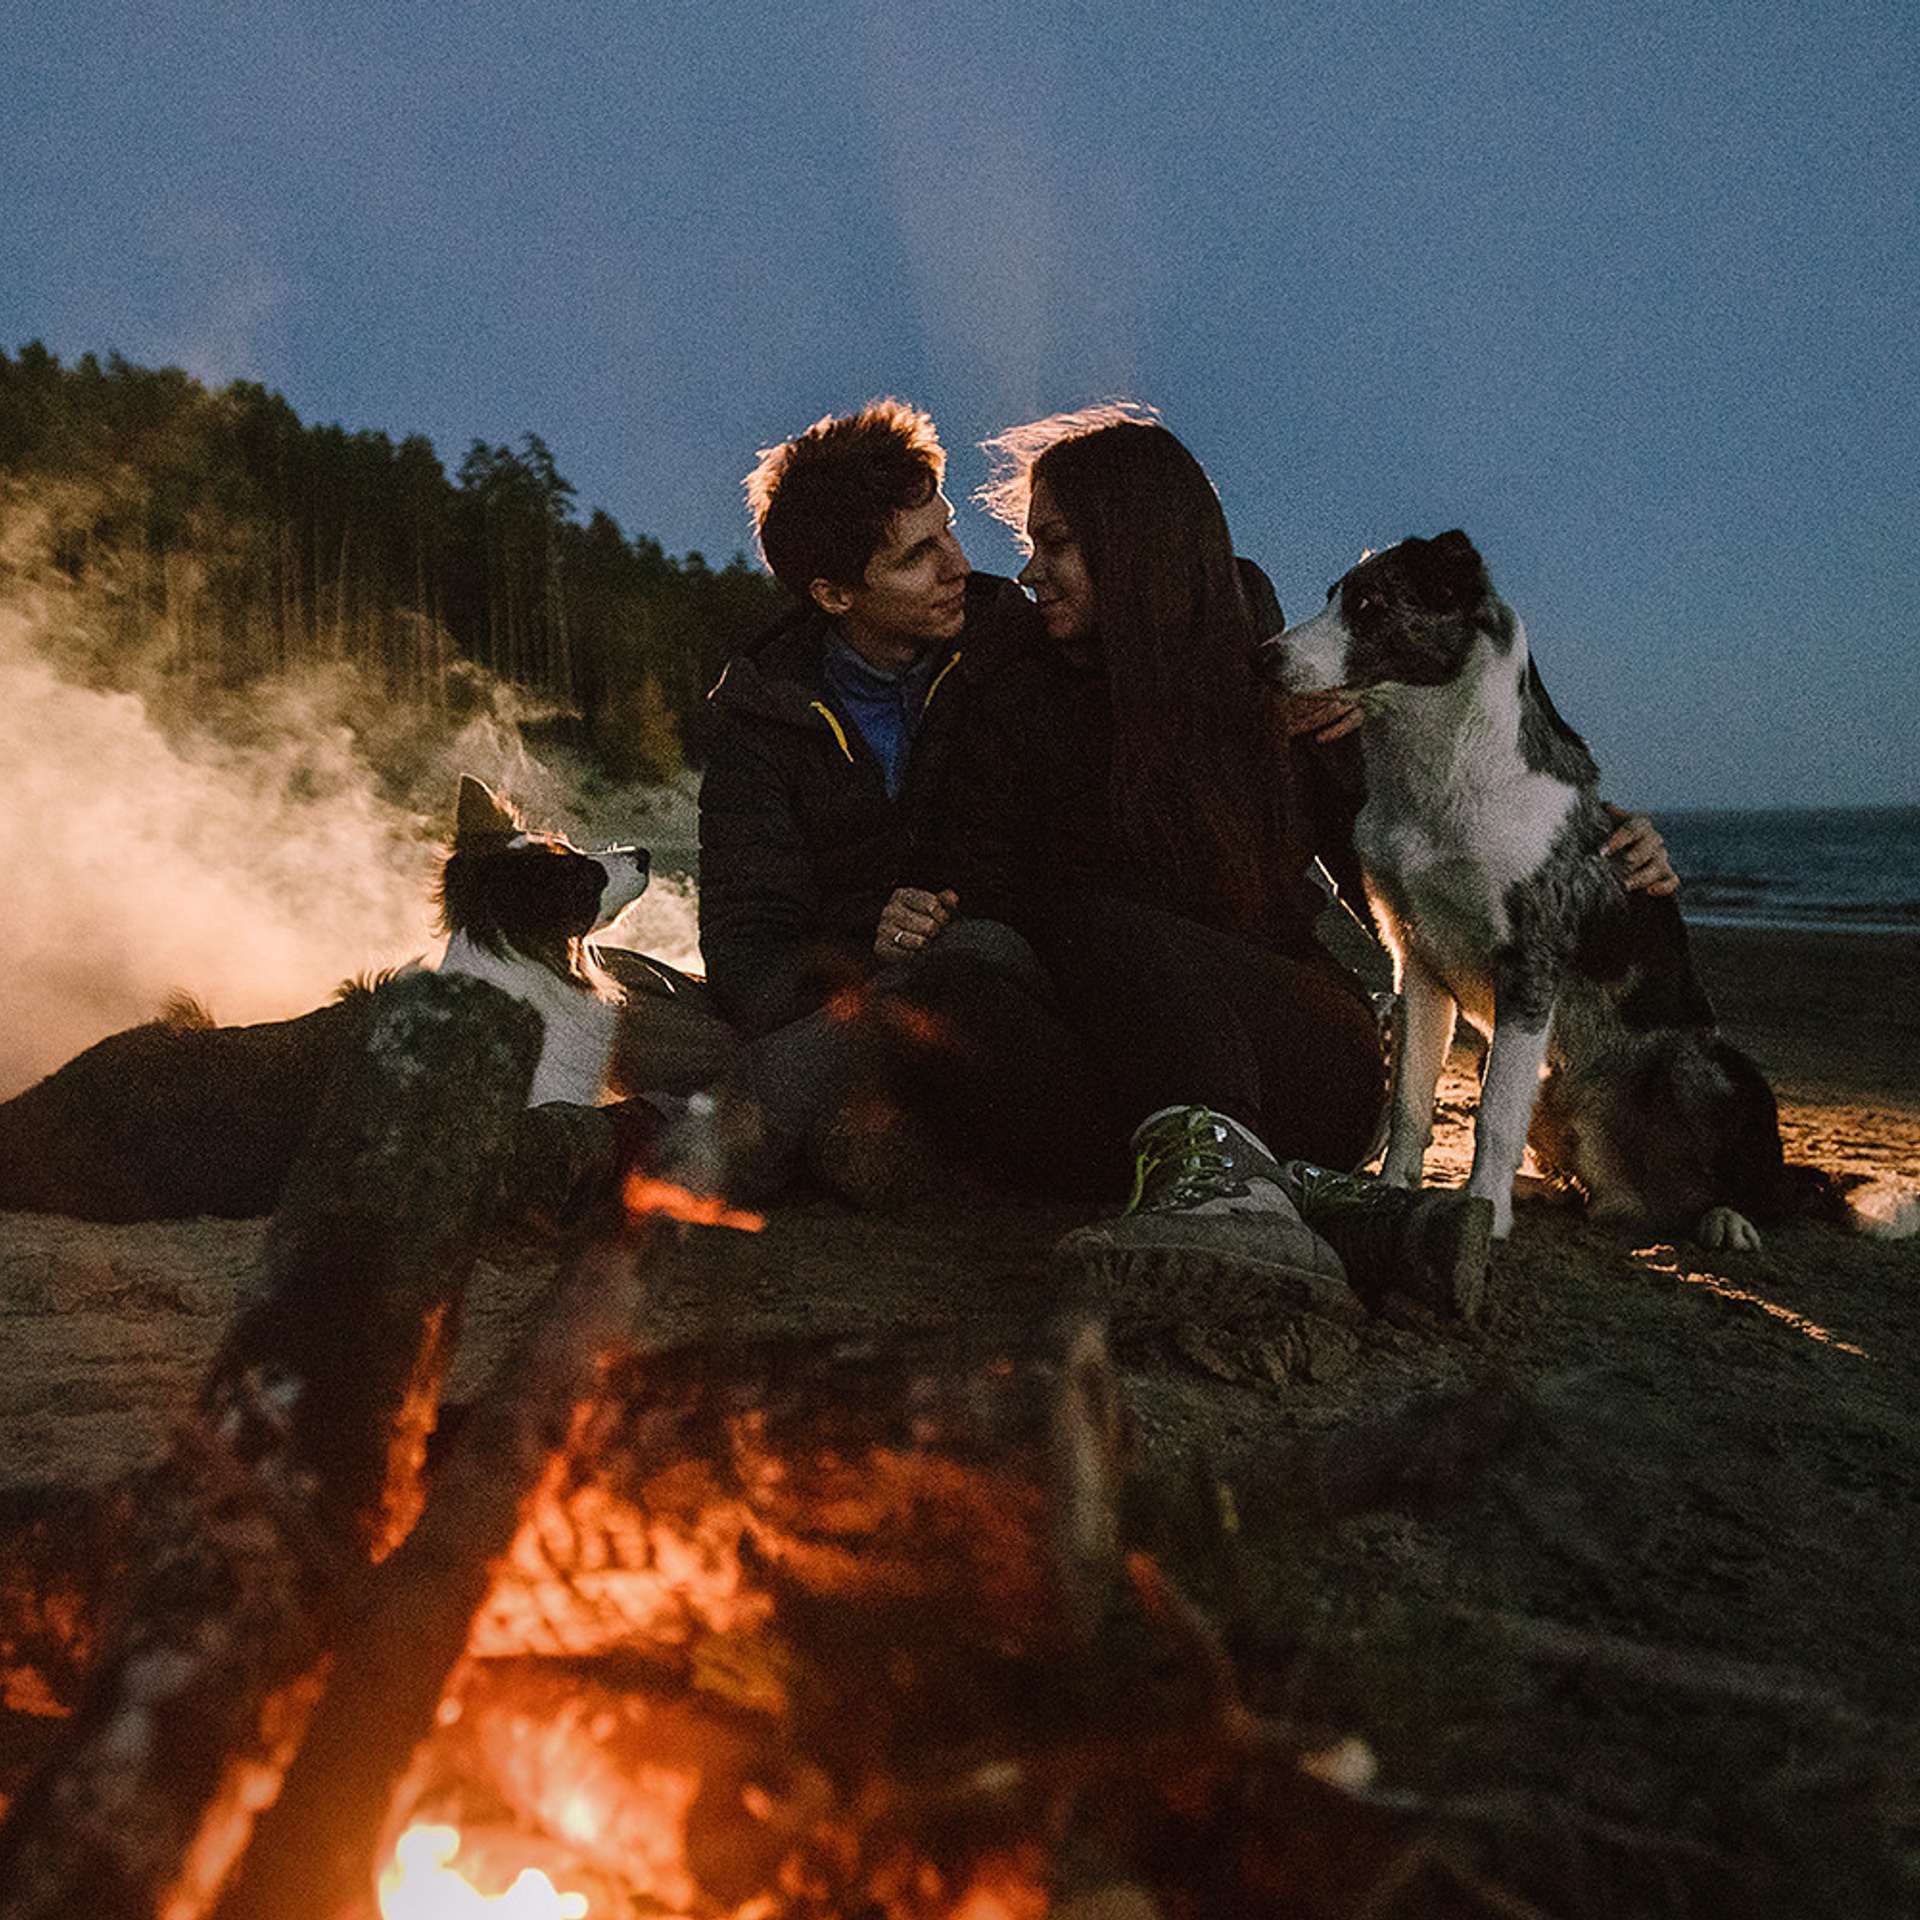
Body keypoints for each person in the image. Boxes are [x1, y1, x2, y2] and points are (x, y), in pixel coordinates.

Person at [938, 406, 1674, 1321]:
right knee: (954, 997)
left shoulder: (1272, 669)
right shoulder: (1020, 687)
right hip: (1128, 1048)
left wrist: (1588, 839)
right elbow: (990, 886)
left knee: (1085, 909)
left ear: (1134, 543)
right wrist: (933, 915)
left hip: (1299, 1046)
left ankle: (1236, 1193)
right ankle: (1329, 1209)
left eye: (1056, 544)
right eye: (1029, 544)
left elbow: (1413, 837)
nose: (1031, 571)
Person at [696, 398, 1085, 1200]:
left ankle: (733, 1135)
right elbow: (748, 950)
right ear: (835, 595)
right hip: (843, 1010)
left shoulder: (1019, 648)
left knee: (978, 957)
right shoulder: (764, 718)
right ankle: (865, 1133)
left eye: (947, 531)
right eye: (916, 556)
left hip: (1004, 996)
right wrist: (874, 950)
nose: (957, 567)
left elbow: (1194, 608)